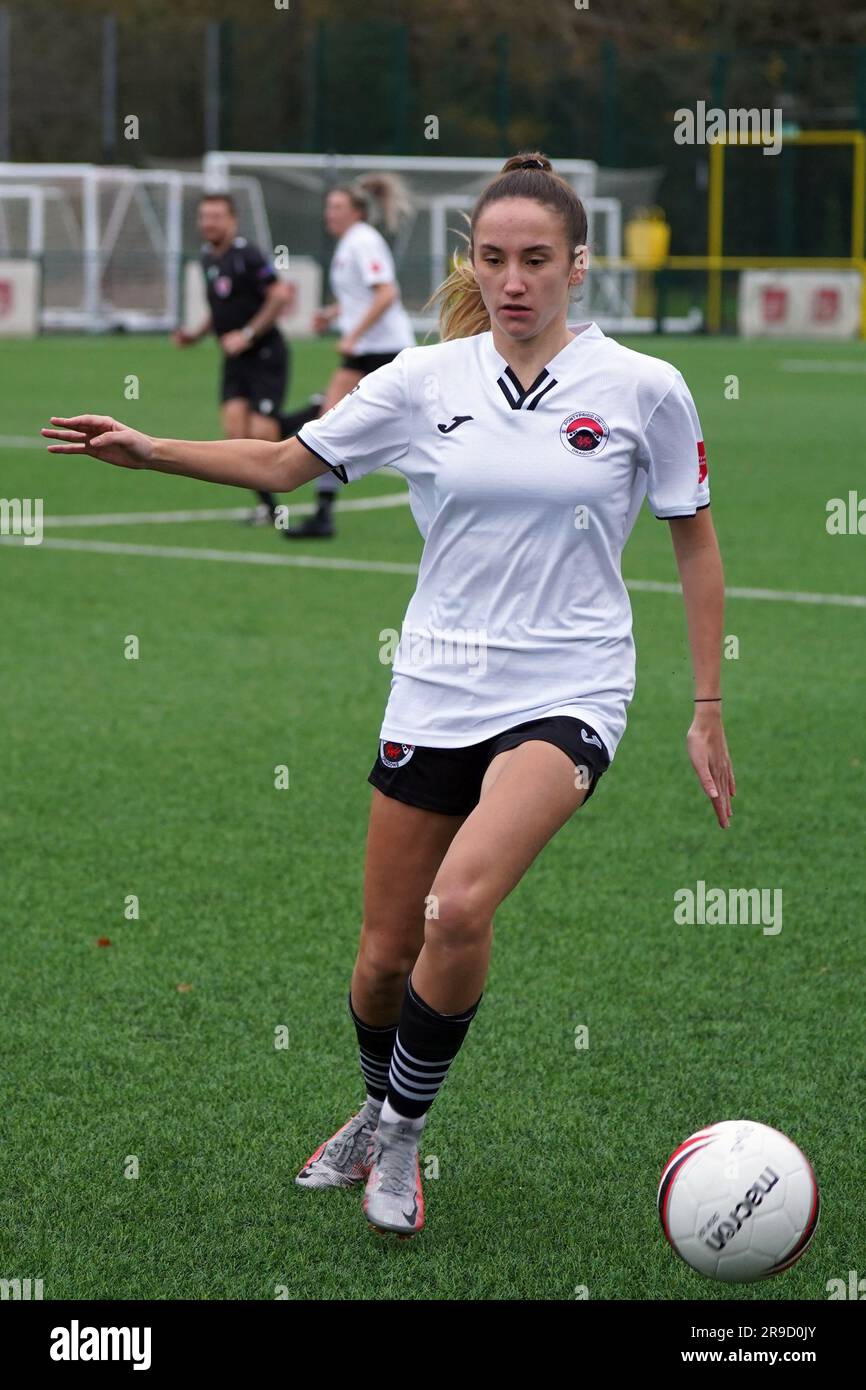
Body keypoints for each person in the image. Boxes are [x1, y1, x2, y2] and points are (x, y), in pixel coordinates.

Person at [43, 150, 735, 1242]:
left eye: (537, 260)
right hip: (434, 684)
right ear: (471, 261)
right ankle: (372, 1106)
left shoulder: (642, 387)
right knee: (379, 960)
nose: (513, 281)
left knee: (458, 907)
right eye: (493, 259)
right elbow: (284, 467)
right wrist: (151, 450)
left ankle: (404, 1137)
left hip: (571, 684)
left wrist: (703, 706)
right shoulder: (421, 379)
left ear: (577, 266)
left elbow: (693, 545)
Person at [283, 173, 416, 539]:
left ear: (357, 212)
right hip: (366, 350)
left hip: (384, 349)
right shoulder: (349, 245)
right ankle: (323, 515)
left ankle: (300, 417)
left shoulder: (363, 242)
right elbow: (361, 295)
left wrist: (352, 335)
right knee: (332, 420)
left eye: (338, 207)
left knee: (351, 421)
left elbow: (387, 294)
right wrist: (332, 313)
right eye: (328, 207)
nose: (330, 214)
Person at [174, 192, 299, 526]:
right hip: (234, 360)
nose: (208, 223)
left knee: (262, 435)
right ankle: (269, 509)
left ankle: (315, 411)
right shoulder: (207, 258)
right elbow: (219, 310)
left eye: (215, 216)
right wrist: (195, 335)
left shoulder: (248, 254)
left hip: (265, 354)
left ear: (232, 220)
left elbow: (278, 295)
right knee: (234, 432)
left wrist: (246, 335)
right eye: (204, 217)